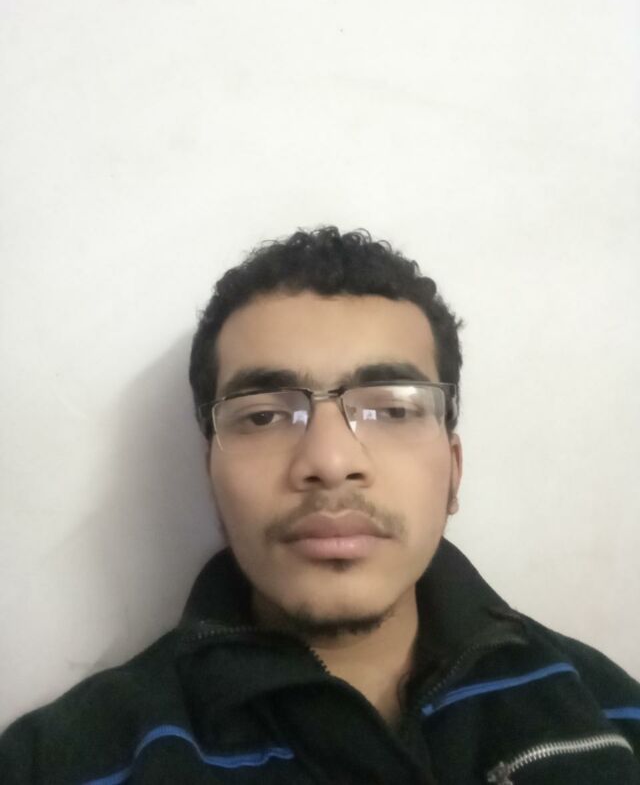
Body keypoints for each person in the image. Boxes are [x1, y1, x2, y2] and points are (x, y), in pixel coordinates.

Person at [1, 226, 639, 784]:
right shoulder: (51, 764)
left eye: (392, 410)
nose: (330, 461)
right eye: (264, 415)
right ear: (210, 477)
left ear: (454, 470)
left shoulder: (614, 718)